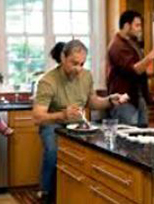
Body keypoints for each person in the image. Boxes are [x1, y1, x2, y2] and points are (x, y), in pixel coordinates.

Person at [33, 40, 128, 203]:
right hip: (53, 124)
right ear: (63, 57)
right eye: (74, 63)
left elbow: (93, 102)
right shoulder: (47, 81)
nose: (78, 68)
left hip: (79, 124)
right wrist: (62, 114)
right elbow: (38, 116)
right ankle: (45, 191)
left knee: (96, 151)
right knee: (52, 152)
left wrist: (110, 100)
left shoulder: (86, 76)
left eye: (82, 64)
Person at [107, 10, 154, 127]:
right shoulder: (117, 46)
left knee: (142, 136)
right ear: (127, 26)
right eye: (137, 25)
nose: (140, 29)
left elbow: (139, 69)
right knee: (128, 139)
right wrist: (151, 56)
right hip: (124, 100)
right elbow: (134, 69)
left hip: (137, 97)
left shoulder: (132, 42)